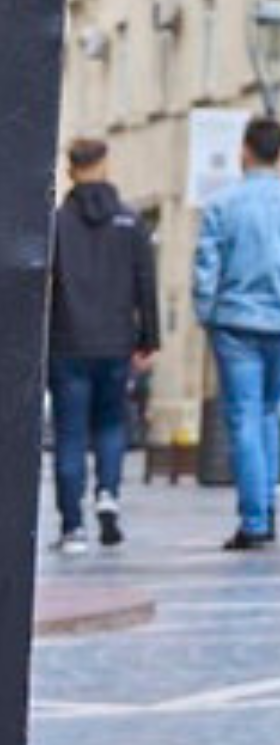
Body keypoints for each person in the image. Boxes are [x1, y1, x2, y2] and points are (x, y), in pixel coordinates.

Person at [192, 115, 280, 553]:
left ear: (244, 151)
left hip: (235, 322)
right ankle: (266, 508)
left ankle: (253, 520)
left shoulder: (222, 205)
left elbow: (206, 269)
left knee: (245, 416)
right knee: (268, 413)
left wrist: (206, 314)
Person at [47, 134, 159, 555]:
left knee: (71, 433)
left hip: (67, 343)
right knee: (112, 424)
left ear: (72, 169)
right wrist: (148, 339)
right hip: (116, 343)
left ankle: (73, 527)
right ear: (105, 165)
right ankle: (108, 494)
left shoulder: (56, 223)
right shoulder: (131, 223)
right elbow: (145, 283)